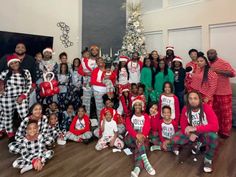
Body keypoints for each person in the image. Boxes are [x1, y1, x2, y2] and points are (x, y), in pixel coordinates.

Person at [170, 91, 219, 173]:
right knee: (174, 138)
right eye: (190, 98)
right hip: (194, 132)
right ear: (187, 100)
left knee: (214, 137)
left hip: (206, 132)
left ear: (200, 99)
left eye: (195, 98)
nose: (193, 101)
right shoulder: (185, 109)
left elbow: (215, 126)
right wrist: (189, 135)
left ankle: (208, 160)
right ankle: (196, 144)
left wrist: (195, 128)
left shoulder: (206, 108)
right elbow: (183, 125)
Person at [0, 55, 32, 142]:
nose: (14, 64)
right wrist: (1, 87)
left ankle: (29, 131)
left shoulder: (26, 72)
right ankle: (10, 134)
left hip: (21, 98)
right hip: (6, 98)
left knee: (25, 116)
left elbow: (29, 85)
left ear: (19, 62)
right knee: (7, 116)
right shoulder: (4, 73)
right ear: (9, 65)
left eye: (16, 62)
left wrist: (23, 96)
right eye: (12, 63)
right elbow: (1, 81)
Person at [207, 49, 236, 138]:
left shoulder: (223, 63)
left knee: (226, 114)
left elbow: (233, 73)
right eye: (208, 54)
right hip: (213, 93)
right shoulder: (207, 64)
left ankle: (225, 132)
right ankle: (217, 129)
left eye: (212, 53)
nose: (210, 55)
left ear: (216, 54)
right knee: (215, 113)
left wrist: (218, 71)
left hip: (224, 93)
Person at [125, 98, 156, 177]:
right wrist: (137, 135)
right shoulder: (129, 116)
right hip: (130, 138)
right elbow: (129, 128)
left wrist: (142, 136)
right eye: (136, 104)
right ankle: (146, 163)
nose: (138, 106)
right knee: (140, 142)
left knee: (139, 147)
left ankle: (137, 169)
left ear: (142, 106)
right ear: (133, 106)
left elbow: (147, 127)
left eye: (139, 104)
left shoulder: (145, 116)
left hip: (142, 138)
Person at [78, 46, 98, 117]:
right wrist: (86, 73)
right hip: (87, 83)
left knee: (98, 103)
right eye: (93, 50)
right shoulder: (84, 61)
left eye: (96, 50)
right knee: (86, 102)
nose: (94, 52)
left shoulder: (99, 60)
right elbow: (79, 71)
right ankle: (86, 119)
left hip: (97, 84)